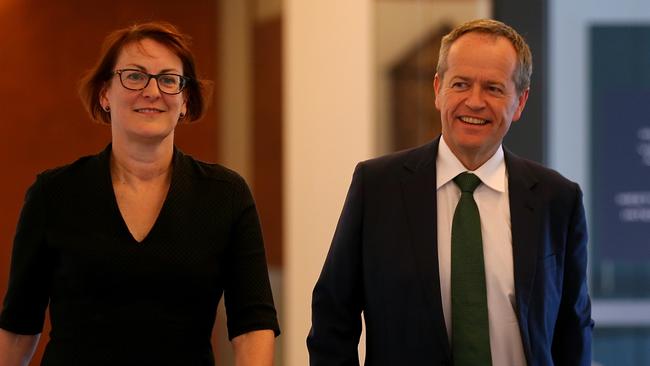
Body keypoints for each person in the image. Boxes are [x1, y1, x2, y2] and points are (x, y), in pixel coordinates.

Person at [308, 19, 593, 366]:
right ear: (438, 89)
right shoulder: (377, 187)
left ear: (520, 102)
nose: (474, 102)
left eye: (494, 88)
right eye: (461, 84)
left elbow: (573, 329)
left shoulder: (558, 200)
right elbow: (333, 317)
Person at [0, 21, 279, 365]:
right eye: (134, 76)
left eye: (168, 79)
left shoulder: (226, 195)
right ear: (105, 94)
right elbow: (18, 326)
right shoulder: (53, 193)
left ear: (186, 101)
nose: (151, 91)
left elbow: (253, 327)